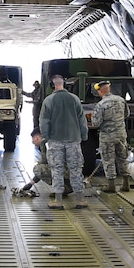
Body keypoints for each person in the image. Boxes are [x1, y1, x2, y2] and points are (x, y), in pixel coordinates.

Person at [39, 73, 94, 208]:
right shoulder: (74, 99)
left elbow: (44, 122)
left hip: (55, 140)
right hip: (73, 140)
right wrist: (84, 136)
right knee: (76, 169)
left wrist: (45, 138)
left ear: (52, 85)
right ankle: (80, 200)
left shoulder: (49, 101)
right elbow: (82, 120)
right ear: (64, 84)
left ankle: (58, 200)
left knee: (56, 169)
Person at [92, 80, 131, 192]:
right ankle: (126, 183)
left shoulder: (101, 105)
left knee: (108, 159)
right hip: (121, 135)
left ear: (100, 91)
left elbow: (96, 123)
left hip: (107, 137)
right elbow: (127, 114)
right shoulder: (121, 100)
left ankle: (111, 185)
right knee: (122, 158)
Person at [13, 131, 54, 197]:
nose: (33, 143)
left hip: (62, 172)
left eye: (33, 140)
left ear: (36, 138)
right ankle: (66, 188)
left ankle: (60, 190)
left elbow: (43, 165)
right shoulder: (52, 140)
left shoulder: (44, 144)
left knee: (37, 168)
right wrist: (31, 183)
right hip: (71, 173)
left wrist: (30, 184)